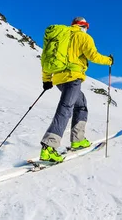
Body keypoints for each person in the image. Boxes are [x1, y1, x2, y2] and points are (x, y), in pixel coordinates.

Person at [40, 17, 113, 162]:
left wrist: (47, 80)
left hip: (59, 79)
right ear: (84, 25)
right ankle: (49, 147)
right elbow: (93, 56)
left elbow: (46, 58)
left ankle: (78, 140)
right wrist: (109, 60)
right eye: (87, 26)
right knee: (66, 108)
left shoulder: (60, 36)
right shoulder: (83, 37)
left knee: (81, 105)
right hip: (73, 77)